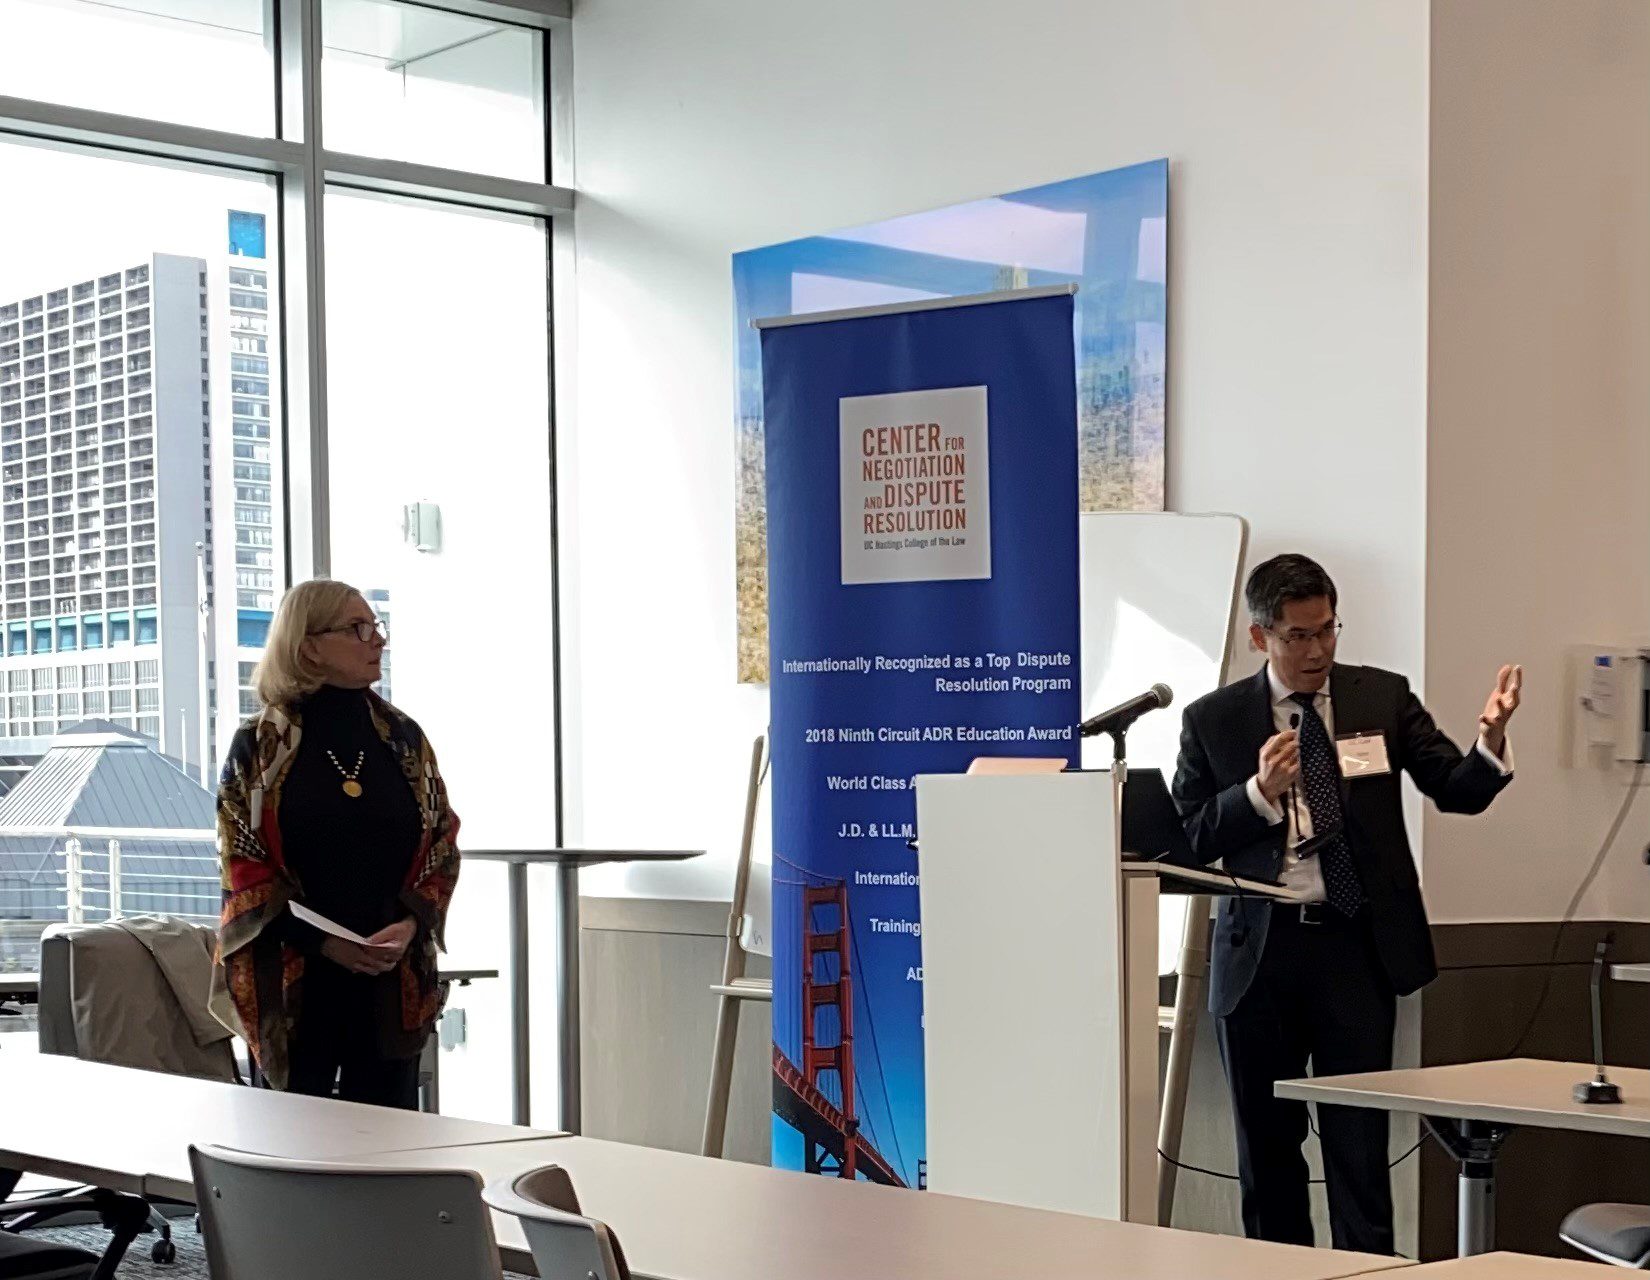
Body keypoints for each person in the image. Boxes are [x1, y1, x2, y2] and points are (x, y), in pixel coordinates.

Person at [1171, 554, 1520, 1255]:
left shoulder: (1380, 698)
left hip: (1354, 950)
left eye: (1327, 630)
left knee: (1359, 1151)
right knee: (1267, 1155)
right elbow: (1189, 839)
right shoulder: (1214, 719)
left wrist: (1489, 740)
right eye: (1298, 636)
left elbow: (1454, 789)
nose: (1317, 651)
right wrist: (1258, 794)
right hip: (1260, 957)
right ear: (1260, 636)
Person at [212, 579, 460, 1109]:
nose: (378, 640)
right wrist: (326, 942)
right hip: (295, 978)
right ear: (309, 647)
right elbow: (242, 863)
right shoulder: (259, 746)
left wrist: (411, 922)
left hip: (392, 977)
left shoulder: (404, 739)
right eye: (358, 628)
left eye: (376, 626)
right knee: (291, 1139)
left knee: (389, 1142)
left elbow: (442, 839)